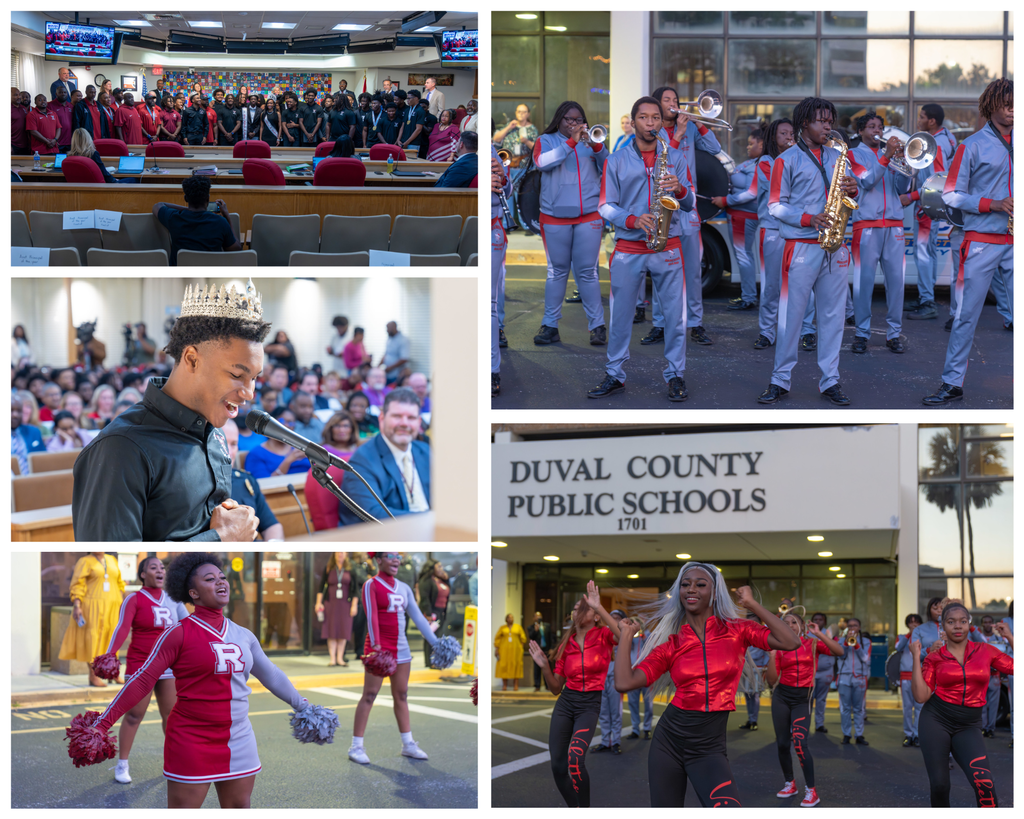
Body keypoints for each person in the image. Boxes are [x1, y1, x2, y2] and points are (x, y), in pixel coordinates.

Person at [85, 554, 328, 807]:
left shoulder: (244, 635)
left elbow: (272, 675)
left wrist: (305, 707)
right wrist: (102, 725)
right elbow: (142, 680)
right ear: (194, 593)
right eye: (210, 579)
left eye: (223, 577)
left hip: (239, 738)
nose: (221, 582)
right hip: (191, 740)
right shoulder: (177, 634)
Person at [71, 280, 268, 541]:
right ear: (191, 359)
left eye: (254, 378)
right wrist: (222, 537)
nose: (249, 393)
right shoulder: (121, 447)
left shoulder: (216, 435)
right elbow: (114, 560)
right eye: (236, 374)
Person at [589, 95, 696, 403]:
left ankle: (676, 374)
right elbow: (605, 206)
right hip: (629, 246)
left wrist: (680, 188)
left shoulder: (674, 156)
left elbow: (689, 203)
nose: (650, 123)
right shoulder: (615, 160)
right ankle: (615, 374)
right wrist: (633, 219)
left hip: (669, 244)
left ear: (662, 123)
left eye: (655, 118)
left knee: (675, 317)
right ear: (633, 121)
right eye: (644, 118)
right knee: (620, 316)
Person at [758, 97, 860, 406]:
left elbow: (852, 193)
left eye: (831, 120)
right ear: (805, 123)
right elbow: (775, 205)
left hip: (836, 245)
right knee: (791, 318)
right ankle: (780, 379)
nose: (828, 126)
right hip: (801, 244)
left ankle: (830, 380)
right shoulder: (785, 160)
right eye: (822, 120)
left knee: (832, 317)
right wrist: (807, 218)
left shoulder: (839, 155)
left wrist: (854, 188)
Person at [925, 77, 1014, 405]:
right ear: (992, 106)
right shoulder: (971, 145)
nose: (1013, 110)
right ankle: (952, 383)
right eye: (1007, 104)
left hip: (1015, 240)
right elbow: (950, 195)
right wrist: (992, 203)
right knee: (965, 317)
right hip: (981, 241)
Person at [527, 581, 623, 807]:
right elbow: (555, 688)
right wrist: (544, 666)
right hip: (566, 703)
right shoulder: (565, 645)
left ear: (596, 616)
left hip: (589, 705)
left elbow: (623, 635)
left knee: (575, 759)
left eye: (585, 607)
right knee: (558, 766)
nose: (579, 610)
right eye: (578, 607)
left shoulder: (603, 636)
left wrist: (599, 607)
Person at [911, 598, 1013, 806]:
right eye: (951, 621)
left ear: (969, 623)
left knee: (985, 784)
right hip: (936, 720)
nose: (957, 626)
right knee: (940, 785)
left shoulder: (985, 651)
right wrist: (915, 657)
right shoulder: (935, 657)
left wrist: (1010, 637)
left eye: (962, 621)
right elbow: (921, 697)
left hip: (969, 724)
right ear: (943, 626)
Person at [101, 556, 188, 784]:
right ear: (142, 574)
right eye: (153, 567)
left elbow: (189, 628)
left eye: (162, 568)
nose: (160, 571)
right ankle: (122, 764)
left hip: (169, 666)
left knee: (171, 716)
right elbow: (121, 629)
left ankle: (174, 762)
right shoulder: (134, 599)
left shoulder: (174, 599)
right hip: (141, 665)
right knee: (134, 715)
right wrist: (110, 655)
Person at [348, 551, 440, 764]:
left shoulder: (405, 588)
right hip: (379, 649)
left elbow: (418, 618)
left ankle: (408, 744)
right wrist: (377, 648)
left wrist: (437, 644)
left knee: (402, 695)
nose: (396, 559)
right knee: (369, 695)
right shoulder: (371, 585)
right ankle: (356, 746)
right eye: (390, 555)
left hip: (402, 650)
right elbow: (371, 616)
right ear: (378, 560)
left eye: (398, 555)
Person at [531, 101, 609, 348]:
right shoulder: (546, 140)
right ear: (559, 119)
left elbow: (608, 166)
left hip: (589, 216)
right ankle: (550, 325)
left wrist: (596, 146)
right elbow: (542, 163)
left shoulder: (591, 141)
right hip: (554, 216)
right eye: (568, 119)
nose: (573, 124)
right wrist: (571, 142)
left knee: (588, 272)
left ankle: (597, 326)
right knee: (556, 272)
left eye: (578, 120)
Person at [765, 611, 844, 807]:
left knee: (800, 743)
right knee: (783, 744)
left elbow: (839, 651)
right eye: (786, 622)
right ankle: (789, 783)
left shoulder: (813, 643)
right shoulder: (780, 646)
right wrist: (773, 655)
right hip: (781, 696)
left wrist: (819, 633)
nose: (790, 625)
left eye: (794, 622)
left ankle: (812, 791)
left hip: (802, 698)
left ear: (802, 625)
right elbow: (772, 680)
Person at [848, 113, 911, 355]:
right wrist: (886, 157)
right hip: (867, 226)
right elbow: (866, 181)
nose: (877, 130)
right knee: (864, 284)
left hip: (894, 225)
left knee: (896, 283)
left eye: (880, 127)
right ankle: (862, 333)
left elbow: (901, 189)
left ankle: (894, 333)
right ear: (861, 131)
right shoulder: (853, 155)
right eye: (872, 126)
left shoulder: (890, 155)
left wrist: (905, 164)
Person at [902, 103, 959, 320]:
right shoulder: (948, 138)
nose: (918, 120)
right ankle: (927, 297)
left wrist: (911, 196)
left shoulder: (936, 144)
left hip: (928, 206)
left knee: (924, 253)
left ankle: (927, 301)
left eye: (922, 116)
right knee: (929, 252)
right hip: (932, 206)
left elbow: (936, 184)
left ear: (932, 121)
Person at [338, 388, 428, 524]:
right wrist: (432, 519)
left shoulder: (426, 452)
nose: (404, 423)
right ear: (381, 419)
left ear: (419, 422)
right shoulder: (362, 461)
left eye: (411, 417)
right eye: (397, 416)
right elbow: (374, 515)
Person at [712, 127, 764, 312]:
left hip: (743, 216)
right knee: (744, 255)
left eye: (751, 143)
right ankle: (747, 295)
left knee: (743, 256)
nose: (748, 147)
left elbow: (752, 193)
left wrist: (725, 200)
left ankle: (748, 297)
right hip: (738, 215)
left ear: (762, 144)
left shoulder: (759, 165)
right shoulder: (751, 163)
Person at [58, 552, 126, 687]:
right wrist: (77, 605)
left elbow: (119, 583)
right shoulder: (85, 561)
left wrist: (124, 604)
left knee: (113, 639)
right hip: (92, 606)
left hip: (113, 606)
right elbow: (78, 584)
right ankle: (93, 675)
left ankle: (113, 673)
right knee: (93, 640)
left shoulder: (111, 559)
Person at [153, 176, 241, 264]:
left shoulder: (174, 218)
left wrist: (189, 210)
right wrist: (227, 216)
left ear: (186, 198)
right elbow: (236, 249)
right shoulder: (220, 222)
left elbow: (158, 205)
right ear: (208, 198)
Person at [221, 418, 284, 542]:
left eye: (233, 444)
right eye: (222, 443)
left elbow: (272, 525)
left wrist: (272, 546)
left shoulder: (246, 481)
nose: (228, 451)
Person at [245, 406, 311, 479]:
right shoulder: (257, 454)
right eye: (282, 421)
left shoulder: (299, 449)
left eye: (290, 422)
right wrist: (288, 461)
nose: (286, 426)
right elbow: (264, 485)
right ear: (270, 424)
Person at [315, 552, 357, 666]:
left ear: (346, 555)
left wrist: (354, 605)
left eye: (343, 552)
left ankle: (340, 658)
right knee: (331, 631)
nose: (340, 554)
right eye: (338, 552)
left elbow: (355, 589)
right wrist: (318, 602)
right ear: (334, 554)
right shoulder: (329, 568)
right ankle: (332, 659)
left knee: (343, 631)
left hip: (345, 605)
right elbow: (321, 586)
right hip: (330, 604)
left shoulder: (350, 569)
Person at [594, 608, 627, 753]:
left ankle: (616, 742)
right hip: (601, 677)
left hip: (615, 677)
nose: (614, 619)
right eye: (611, 617)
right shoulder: (604, 633)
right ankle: (605, 741)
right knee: (603, 712)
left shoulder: (624, 635)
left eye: (617, 617)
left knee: (616, 712)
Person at [492, 145, 510, 397]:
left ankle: (492, 370)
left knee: (490, 304)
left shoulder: (491, 151)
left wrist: (502, 181)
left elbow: (507, 189)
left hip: (490, 227)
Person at [835, 616, 871, 744]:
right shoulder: (840, 641)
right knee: (845, 708)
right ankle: (846, 734)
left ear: (859, 627)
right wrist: (846, 643)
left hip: (860, 678)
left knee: (859, 708)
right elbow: (841, 655)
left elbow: (865, 659)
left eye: (854, 625)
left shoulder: (866, 641)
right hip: (844, 677)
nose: (852, 628)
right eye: (849, 626)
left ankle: (859, 735)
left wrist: (856, 645)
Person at [895, 613, 925, 746]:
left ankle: (918, 734)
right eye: (911, 622)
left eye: (916, 622)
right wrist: (909, 635)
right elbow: (897, 648)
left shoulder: (924, 637)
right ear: (907, 624)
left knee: (919, 707)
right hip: (905, 675)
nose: (914, 624)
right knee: (907, 707)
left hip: (920, 675)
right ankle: (908, 734)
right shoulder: (902, 637)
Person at [978, 614, 1010, 737]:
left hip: (994, 675)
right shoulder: (977, 639)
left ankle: (990, 728)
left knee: (994, 704)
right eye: (985, 622)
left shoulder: (998, 639)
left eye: (989, 622)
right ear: (982, 624)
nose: (987, 624)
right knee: (982, 704)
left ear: (992, 624)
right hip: (981, 676)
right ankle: (982, 727)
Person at [738, 612, 770, 730]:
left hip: (758, 668)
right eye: (749, 622)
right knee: (747, 695)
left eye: (755, 622)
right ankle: (750, 719)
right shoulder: (743, 633)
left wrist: (765, 667)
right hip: (744, 668)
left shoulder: (763, 634)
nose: (752, 624)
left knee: (755, 695)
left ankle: (754, 721)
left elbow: (768, 652)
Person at [625, 616, 655, 739]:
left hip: (647, 674)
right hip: (632, 673)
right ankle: (635, 729)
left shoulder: (649, 635)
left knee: (648, 703)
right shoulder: (630, 636)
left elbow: (654, 649)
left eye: (640, 623)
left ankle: (647, 728)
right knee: (632, 703)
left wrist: (645, 637)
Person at [418, 559, 450, 665]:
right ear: (432, 568)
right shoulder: (426, 580)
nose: (441, 569)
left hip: (441, 612)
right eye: (438, 567)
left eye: (441, 566)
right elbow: (425, 598)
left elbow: (448, 591)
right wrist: (428, 614)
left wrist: (447, 579)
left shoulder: (441, 580)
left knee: (439, 637)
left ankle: (438, 660)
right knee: (430, 637)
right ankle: (430, 662)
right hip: (431, 613)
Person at [11, 394, 45, 474]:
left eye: (19, 411)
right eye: (10, 411)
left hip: (33, 479)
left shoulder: (34, 431)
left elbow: (43, 458)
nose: (15, 415)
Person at [495, 613, 527, 691]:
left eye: (512, 617)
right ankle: (504, 685)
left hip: (516, 651)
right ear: (506, 619)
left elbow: (523, 638)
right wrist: (496, 649)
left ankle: (515, 685)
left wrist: (521, 647)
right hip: (504, 651)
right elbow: (497, 639)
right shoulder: (502, 628)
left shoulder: (518, 627)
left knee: (516, 666)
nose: (511, 619)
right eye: (509, 618)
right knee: (503, 666)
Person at [526, 612, 551, 692]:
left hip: (546, 650)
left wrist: (551, 648)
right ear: (533, 618)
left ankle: (548, 685)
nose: (538, 617)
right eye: (537, 616)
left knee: (547, 667)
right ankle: (537, 686)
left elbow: (550, 637)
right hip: (536, 651)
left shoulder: (547, 625)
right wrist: (535, 630)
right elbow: (531, 636)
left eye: (540, 615)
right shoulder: (531, 627)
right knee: (537, 669)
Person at [50, 86, 74, 151]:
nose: (63, 94)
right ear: (56, 94)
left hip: (70, 142)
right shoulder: (50, 105)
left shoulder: (71, 106)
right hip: (57, 142)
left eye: (64, 92)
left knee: (69, 160)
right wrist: (54, 139)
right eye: (60, 92)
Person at [12, 87, 30, 155]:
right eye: (15, 95)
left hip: (25, 144)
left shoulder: (23, 108)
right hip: (13, 145)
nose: (19, 97)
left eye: (19, 95)